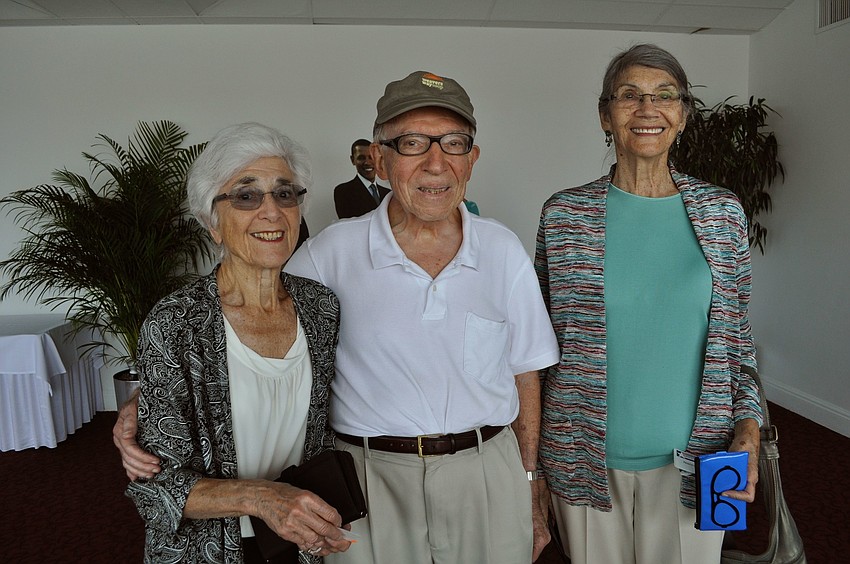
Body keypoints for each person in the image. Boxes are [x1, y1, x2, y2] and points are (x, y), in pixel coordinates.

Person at [287, 70, 560, 564]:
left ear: (472, 160)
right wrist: (155, 394)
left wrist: (529, 480)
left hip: (487, 473)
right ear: (380, 159)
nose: (436, 162)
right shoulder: (328, 255)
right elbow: (257, 338)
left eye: (454, 143)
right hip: (369, 478)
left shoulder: (502, 250)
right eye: (413, 143)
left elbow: (526, 370)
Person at [534, 44, 763, 564]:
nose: (647, 109)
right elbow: (538, 346)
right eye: (629, 96)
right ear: (605, 115)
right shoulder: (565, 215)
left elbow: (740, 342)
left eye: (664, 96)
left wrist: (748, 424)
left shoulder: (722, 212)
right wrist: (533, 469)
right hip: (584, 460)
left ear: (682, 116)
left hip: (701, 460)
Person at [122, 122, 351, 563]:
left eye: (285, 193)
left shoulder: (321, 308)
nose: (272, 211)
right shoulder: (175, 322)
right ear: (214, 223)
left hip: (297, 543)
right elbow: (155, 489)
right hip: (207, 550)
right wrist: (262, 498)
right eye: (246, 196)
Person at [333, 138, 391, 219]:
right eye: (361, 158)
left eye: (371, 157)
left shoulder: (388, 194)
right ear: (353, 160)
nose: (367, 162)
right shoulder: (343, 191)